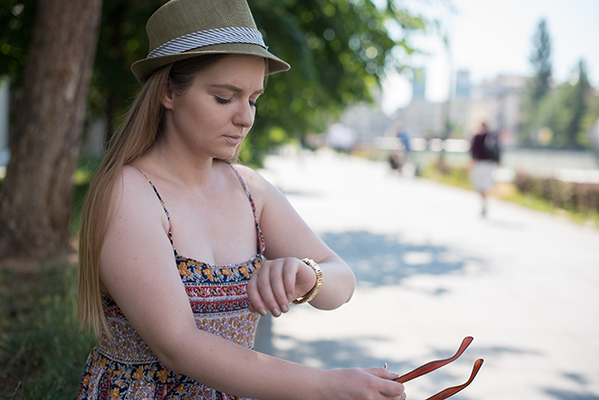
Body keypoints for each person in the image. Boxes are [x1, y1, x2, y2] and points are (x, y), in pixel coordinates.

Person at [76, 1, 407, 399]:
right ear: (168, 91)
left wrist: (307, 276)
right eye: (224, 97)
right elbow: (179, 346)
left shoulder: (251, 191)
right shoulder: (129, 194)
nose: (246, 118)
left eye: (252, 99)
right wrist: (327, 386)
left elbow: (343, 279)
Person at [470, 122, 501, 217]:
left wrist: (471, 163)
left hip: (480, 164)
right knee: (485, 184)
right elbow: (498, 149)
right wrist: (498, 161)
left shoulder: (477, 137)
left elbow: (473, 151)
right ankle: (485, 201)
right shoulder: (492, 136)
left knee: (480, 185)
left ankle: (483, 201)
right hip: (489, 164)